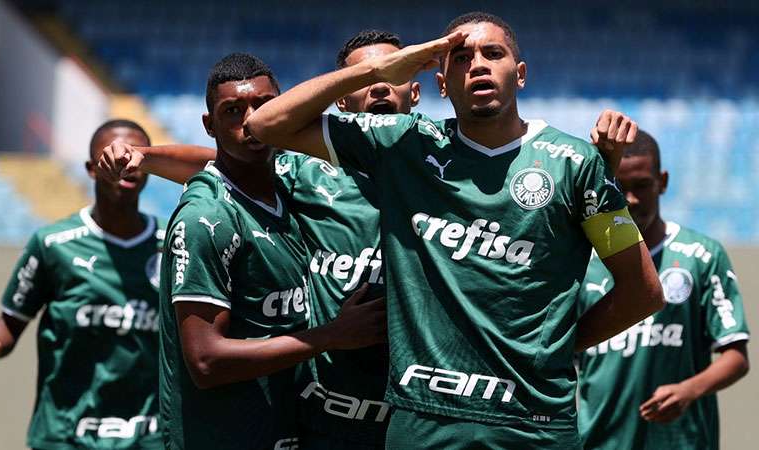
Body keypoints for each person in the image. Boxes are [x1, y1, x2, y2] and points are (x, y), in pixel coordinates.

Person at [98, 28, 640, 449]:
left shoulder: (454, 160)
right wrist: (142, 158)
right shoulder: (303, 176)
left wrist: (600, 170)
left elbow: (577, 245)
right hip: (329, 422)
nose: (378, 85)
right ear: (340, 102)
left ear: (419, 89)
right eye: (363, 79)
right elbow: (234, 156)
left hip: (441, 419)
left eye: (390, 74)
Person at [246, 11, 665, 449]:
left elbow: (643, 291)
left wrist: (555, 350)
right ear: (441, 84)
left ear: (519, 74)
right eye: (461, 58)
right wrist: (376, 71)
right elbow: (265, 125)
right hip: (426, 424)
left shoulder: (576, 165)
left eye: (493, 54)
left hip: (535, 425)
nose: (479, 64)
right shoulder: (403, 144)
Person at [154, 53, 385, 450]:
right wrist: (331, 336)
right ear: (209, 125)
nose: (250, 122)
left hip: (285, 430)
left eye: (264, 106)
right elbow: (206, 360)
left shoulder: (286, 195)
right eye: (232, 111)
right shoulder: (207, 217)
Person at [0, 120, 165, 449]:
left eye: (135, 155)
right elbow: (11, 322)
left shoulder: (172, 242)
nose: (125, 163)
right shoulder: (53, 244)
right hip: (65, 435)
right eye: (112, 155)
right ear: (91, 169)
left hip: (148, 436)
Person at [576, 130, 750, 450]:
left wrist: (689, 390)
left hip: (681, 441)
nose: (630, 199)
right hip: (599, 441)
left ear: (663, 181)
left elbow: (736, 357)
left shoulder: (702, 255)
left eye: (642, 185)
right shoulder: (581, 263)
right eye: (619, 186)